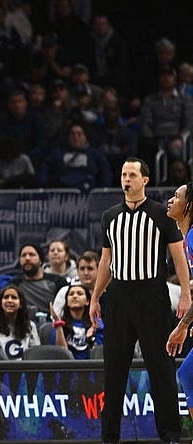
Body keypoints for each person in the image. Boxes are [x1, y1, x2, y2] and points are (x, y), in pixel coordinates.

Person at [90, 157, 190, 444]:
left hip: (152, 295)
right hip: (119, 296)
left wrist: (185, 293)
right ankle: (109, 436)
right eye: (123, 174)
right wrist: (95, 297)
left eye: (132, 174)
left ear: (144, 180)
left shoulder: (161, 213)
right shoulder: (109, 216)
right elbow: (105, 260)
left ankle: (170, 434)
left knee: (161, 367)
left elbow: (177, 254)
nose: (127, 179)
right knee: (114, 370)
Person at [166, 181, 193, 433]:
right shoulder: (187, 238)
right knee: (188, 375)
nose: (170, 200)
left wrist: (183, 324)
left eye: (176, 196)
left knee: (188, 374)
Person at [0, 284, 40, 360]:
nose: (9, 300)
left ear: (20, 304)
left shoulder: (30, 326)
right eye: (6, 297)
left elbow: (35, 353)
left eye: (14, 297)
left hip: (25, 369)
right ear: (1, 303)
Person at [48, 284, 103, 359]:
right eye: (71, 294)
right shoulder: (59, 324)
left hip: (91, 367)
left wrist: (91, 339)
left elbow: (99, 353)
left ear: (87, 301)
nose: (75, 296)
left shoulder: (96, 323)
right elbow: (61, 354)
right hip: (68, 368)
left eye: (80, 294)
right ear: (66, 302)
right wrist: (59, 326)